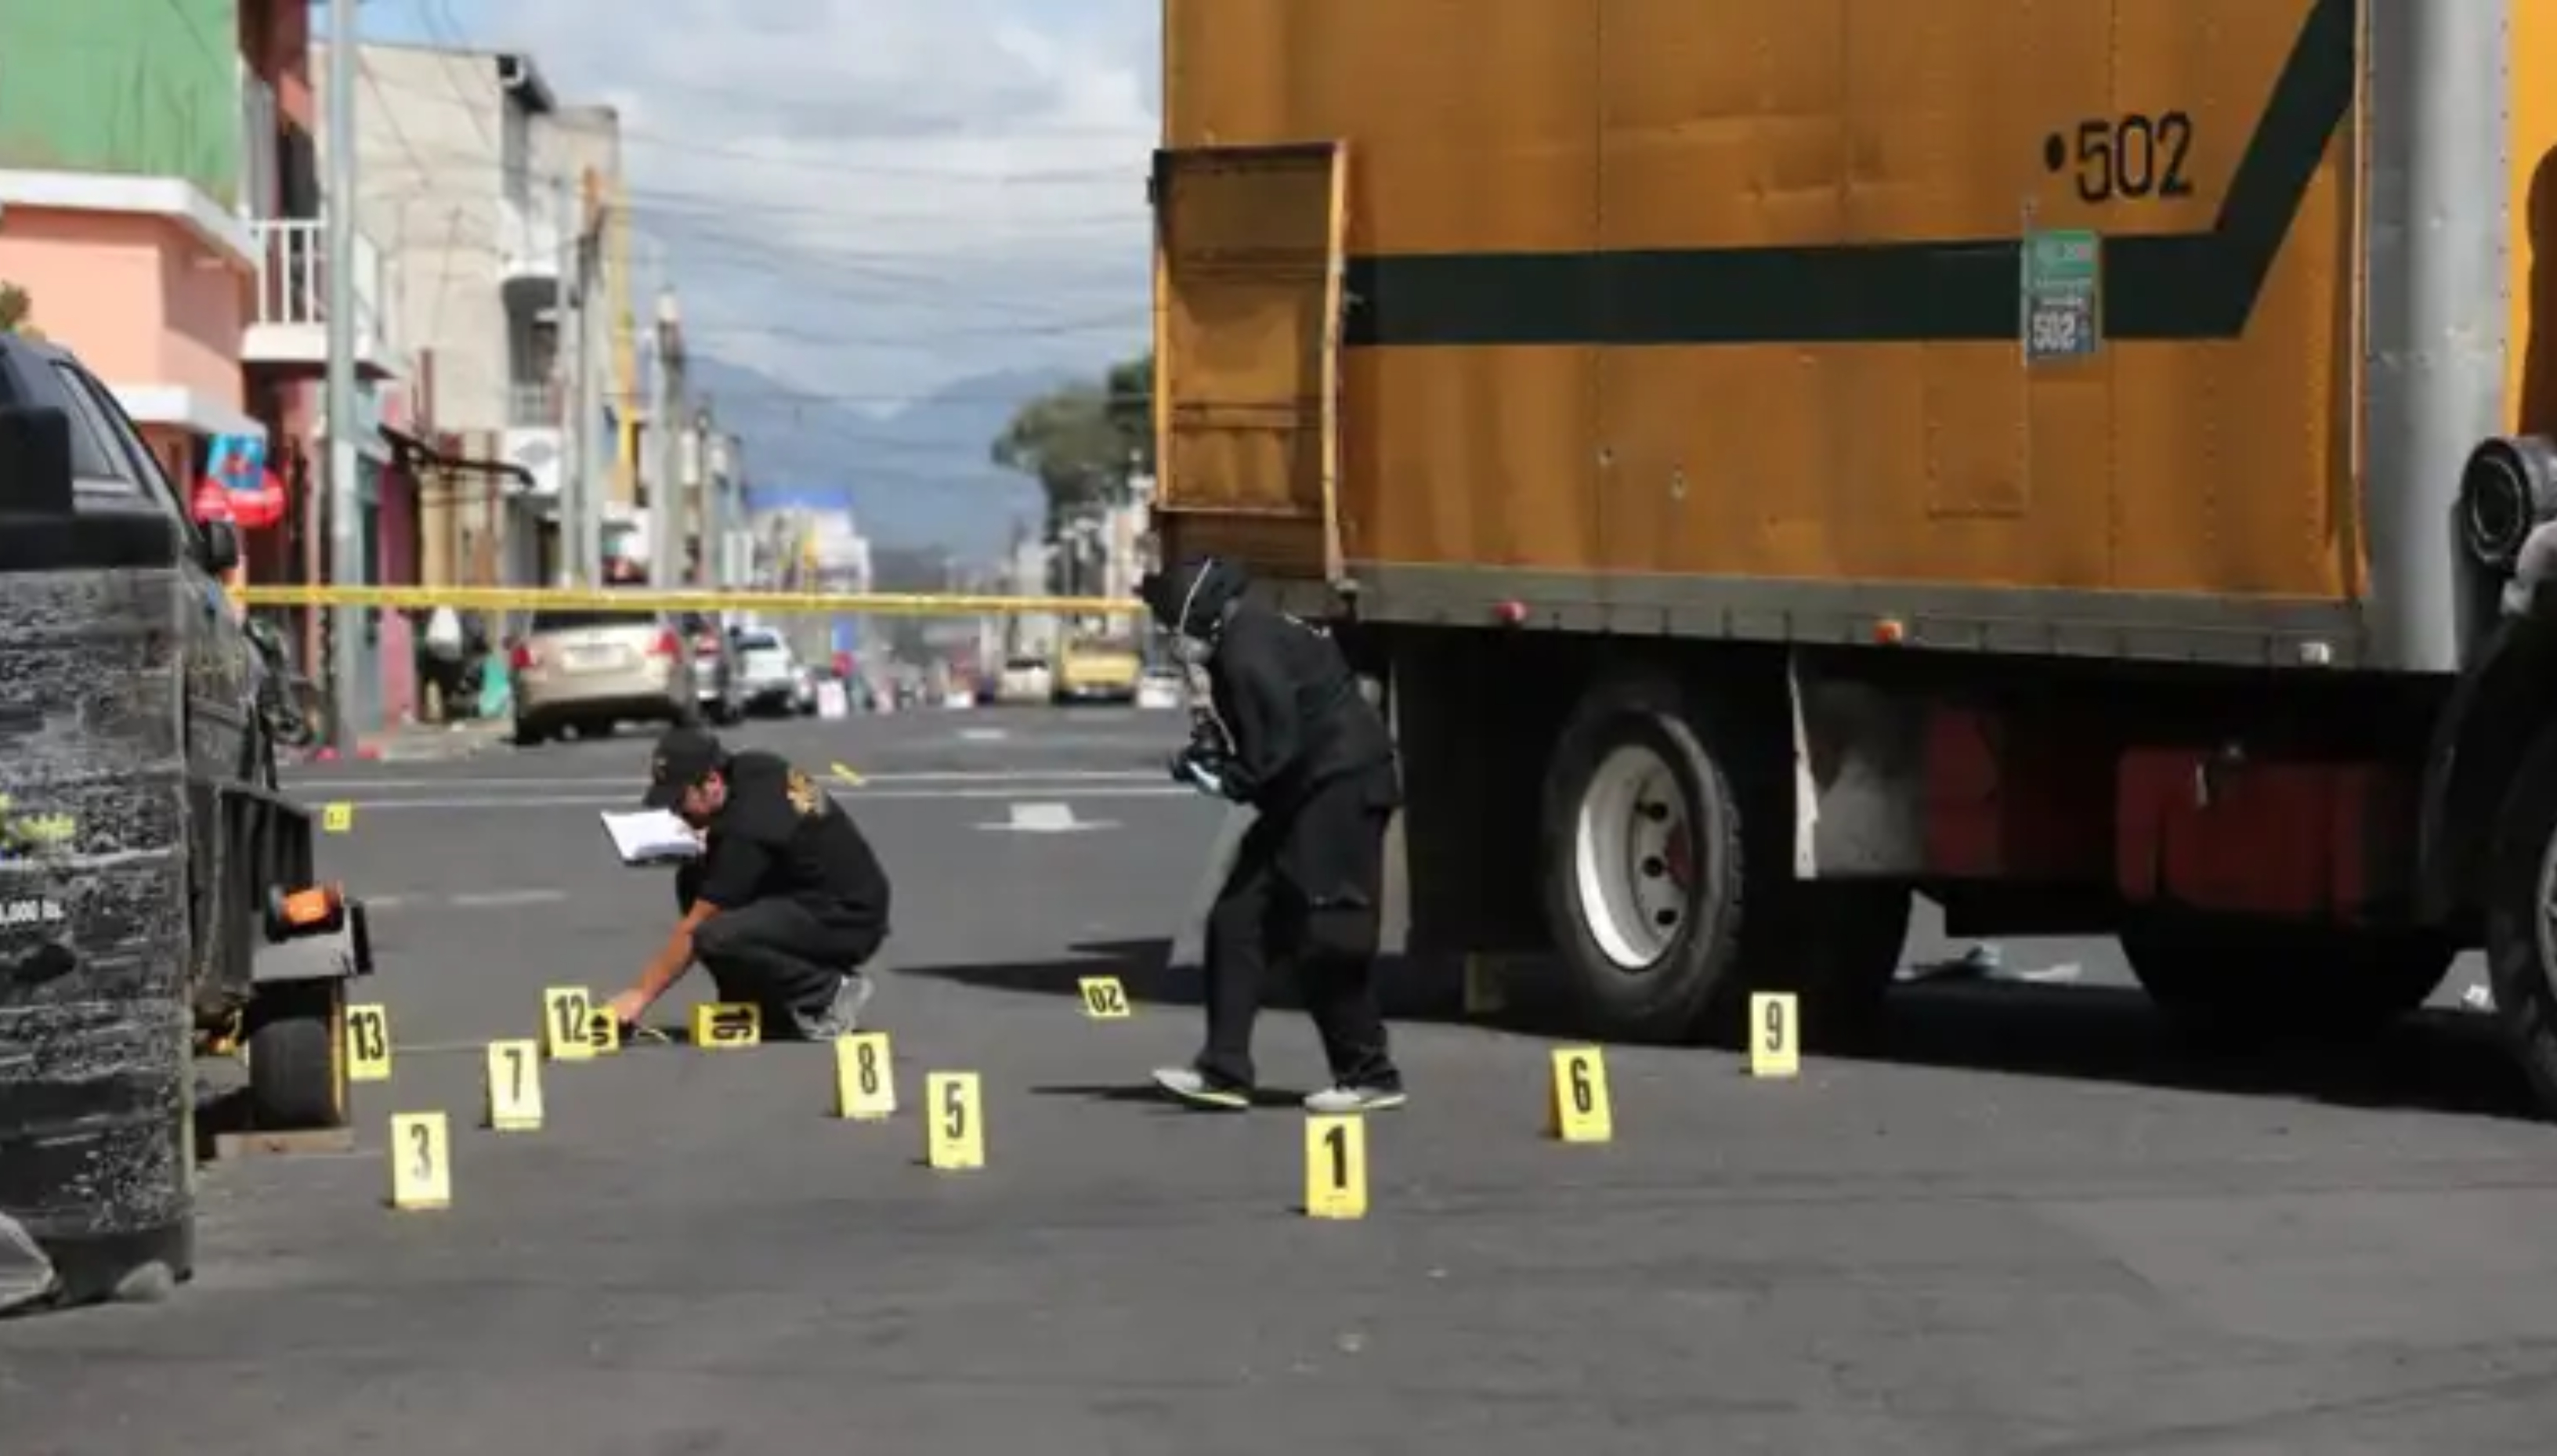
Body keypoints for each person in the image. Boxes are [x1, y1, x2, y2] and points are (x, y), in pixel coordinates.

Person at [1138, 555, 1407, 1114]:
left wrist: (1222, 775)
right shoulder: (1252, 630)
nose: (1173, 638)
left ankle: (1370, 1073)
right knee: (1238, 918)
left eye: (1173, 625)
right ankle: (1224, 1070)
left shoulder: (1245, 651)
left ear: (1198, 610)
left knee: (1327, 931)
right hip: (1309, 789)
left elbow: (1274, 751)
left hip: (1340, 788)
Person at [602, 726, 892, 1039]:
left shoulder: (749, 827)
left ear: (711, 782)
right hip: (814, 891)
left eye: (679, 800)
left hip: (848, 916)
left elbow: (696, 924)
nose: (676, 812)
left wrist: (639, 996)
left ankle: (828, 993)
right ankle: (757, 1004)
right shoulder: (754, 767)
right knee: (693, 878)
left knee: (715, 933)